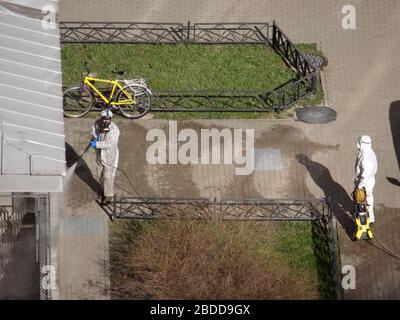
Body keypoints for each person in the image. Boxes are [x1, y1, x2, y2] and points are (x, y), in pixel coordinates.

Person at [89, 109, 120, 205]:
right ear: (101, 118)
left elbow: (109, 144)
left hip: (110, 155)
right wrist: (95, 137)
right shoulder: (97, 123)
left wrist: (96, 144)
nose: (105, 121)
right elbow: (94, 131)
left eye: (108, 119)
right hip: (99, 153)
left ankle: (108, 196)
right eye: (104, 119)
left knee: (108, 176)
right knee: (100, 173)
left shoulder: (114, 130)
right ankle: (104, 189)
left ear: (111, 119)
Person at [354, 135, 378, 223]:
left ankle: (363, 220)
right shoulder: (369, 152)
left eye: (359, 142)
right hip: (369, 180)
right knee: (368, 197)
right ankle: (371, 217)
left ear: (361, 144)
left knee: (361, 199)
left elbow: (365, 174)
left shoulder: (365, 158)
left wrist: (360, 186)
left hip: (365, 182)